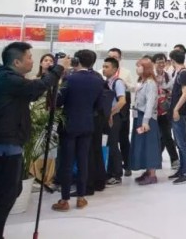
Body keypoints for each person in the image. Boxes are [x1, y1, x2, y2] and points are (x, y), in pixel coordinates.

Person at [0, 42, 68, 239]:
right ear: (17, 62)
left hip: (6, 146)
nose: (32, 61)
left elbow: (33, 92)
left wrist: (52, 73)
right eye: (29, 57)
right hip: (4, 148)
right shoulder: (8, 80)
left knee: (7, 194)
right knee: (4, 197)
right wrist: (59, 69)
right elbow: (36, 88)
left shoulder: (7, 79)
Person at [52, 49, 105, 212]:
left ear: (77, 60)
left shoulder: (70, 78)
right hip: (87, 124)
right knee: (83, 161)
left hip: (69, 124)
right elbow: (99, 105)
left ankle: (64, 199)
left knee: (67, 163)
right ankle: (81, 197)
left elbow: (58, 101)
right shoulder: (98, 80)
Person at [131, 56, 161, 186]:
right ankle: (148, 171)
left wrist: (145, 121)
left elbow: (150, 103)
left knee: (150, 146)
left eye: (139, 66)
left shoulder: (150, 83)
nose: (137, 68)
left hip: (147, 119)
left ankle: (152, 174)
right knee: (142, 145)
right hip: (140, 116)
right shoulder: (142, 82)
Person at [105, 47, 133, 177]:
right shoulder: (103, 74)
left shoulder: (124, 75)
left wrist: (111, 112)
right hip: (109, 113)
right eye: (110, 56)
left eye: (115, 57)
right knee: (111, 141)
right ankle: (112, 169)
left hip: (120, 113)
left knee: (121, 140)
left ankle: (124, 167)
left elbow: (124, 97)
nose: (104, 68)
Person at [167, 49, 186, 184]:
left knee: (182, 143)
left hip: (180, 112)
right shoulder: (179, 73)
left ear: (172, 60)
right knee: (179, 142)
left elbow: (185, 94)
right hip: (177, 111)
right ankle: (182, 169)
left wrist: (176, 109)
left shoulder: (183, 73)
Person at [102, 57, 127, 186]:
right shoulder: (106, 82)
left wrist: (111, 113)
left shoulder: (118, 82)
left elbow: (122, 101)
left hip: (114, 117)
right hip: (107, 117)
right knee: (108, 144)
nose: (104, 69)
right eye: (103, 66)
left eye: (107, 67)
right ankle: (109, 172)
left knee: (113, 144)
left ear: (115, 69)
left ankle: (117, 174)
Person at [154, 53, 179, 169]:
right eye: (158, 62)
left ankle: (174, 159)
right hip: (153, 111)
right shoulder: (150, 75)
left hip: (164, 110)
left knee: (167, 135)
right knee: (157, 137)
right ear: (154, 63)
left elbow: (172, 90)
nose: (161, 64)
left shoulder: (168, 75)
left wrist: (167, 92)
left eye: (163, 62)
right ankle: (155, 159)